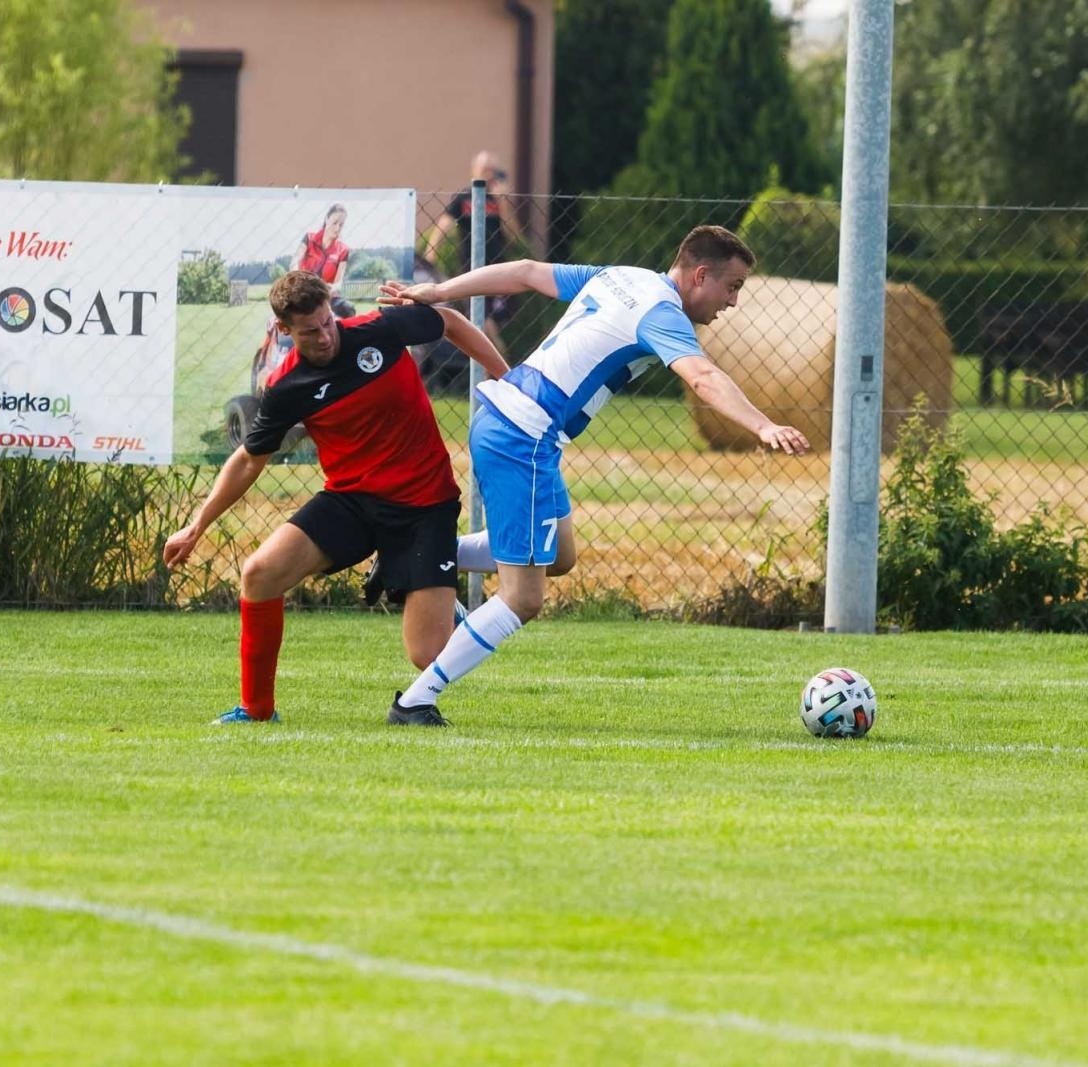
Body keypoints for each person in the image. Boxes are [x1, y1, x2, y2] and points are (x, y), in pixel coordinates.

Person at [377, 225, 810, 724]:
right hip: (526, 435)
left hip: (512, 421)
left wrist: (441, 289)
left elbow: (524, 273)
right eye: (732, 287)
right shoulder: (661, 313)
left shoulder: (621, 277)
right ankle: (414, 702)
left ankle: (421, 555)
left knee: (559, 555)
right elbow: (703, 376)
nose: (732, 302)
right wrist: (762, 424)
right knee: (523, 598)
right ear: (700, 274)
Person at [164, 270, 508, 725]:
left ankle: (437, 595)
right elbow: (249, 459)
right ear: (284, 331)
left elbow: (448, 321)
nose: (325, 335)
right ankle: (256, 711)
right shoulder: (288, 388)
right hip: (352, 502)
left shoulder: (380, 331)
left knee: (429, 655)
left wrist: (508, 379)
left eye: (327, 322)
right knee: (260, 573)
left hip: (424, 504)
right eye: (310, 330)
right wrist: (198, 524)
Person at [424, 151, 523, 353]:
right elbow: (444, 224)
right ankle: (499, 355)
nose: (488, 173)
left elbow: (514, 234)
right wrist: (431, 253)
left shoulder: (499, 199)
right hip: (471, 264)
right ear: (474, 170)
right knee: (479, 315)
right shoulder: (464, 197)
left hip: (499, 264)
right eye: (484, 169)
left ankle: (491, 366)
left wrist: (503, 203)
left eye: (491, 169)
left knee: (491, 317)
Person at [296, 203, 350, 290]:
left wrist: (332, 288)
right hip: (304, 290)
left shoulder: (344, 250)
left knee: (346, 304)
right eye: (335, 223)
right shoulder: (309, 238)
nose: (337, 228)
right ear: (327, 219)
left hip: (326, 295)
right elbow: (295, 262)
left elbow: (338, 283)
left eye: (341, 225)